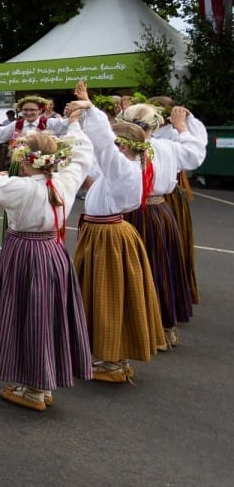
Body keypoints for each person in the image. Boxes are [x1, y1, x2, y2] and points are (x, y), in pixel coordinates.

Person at [0, 107, 94, 412]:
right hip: (53, 251)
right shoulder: (65, 180)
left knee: (29, 315)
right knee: (46, 315)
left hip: (25, 253)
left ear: (26, 160)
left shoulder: (22, 188)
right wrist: (75, 127)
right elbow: (83, 154)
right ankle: (38, 381)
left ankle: (35, 389)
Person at [67, 87, 165, 381]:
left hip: (107, 237)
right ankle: (109, 357)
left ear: (122, 146)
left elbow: (104, 146)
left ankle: (112, 361)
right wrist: (78, 121)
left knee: (107, 297)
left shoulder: (123, 167)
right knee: (107, 296)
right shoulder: (125, 167)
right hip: (105, 234)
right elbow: (96, 154)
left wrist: (91, 110)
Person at [115, 101, 206, 346]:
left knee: (146, 268)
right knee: (162, 267)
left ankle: (153, 329)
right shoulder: (167, 147)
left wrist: (181, 127)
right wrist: (182, 128)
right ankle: (164, 328)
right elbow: (195, 153)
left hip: (137, 213)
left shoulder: (126, 149)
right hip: (158, 212)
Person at [147, 95, 206, 306]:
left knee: (172, 244)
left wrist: (184, 124)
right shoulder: (149, 133)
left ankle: (176, 290)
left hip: (169, 194)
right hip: (148, 195)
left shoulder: (174, 133)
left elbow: (195, 152)